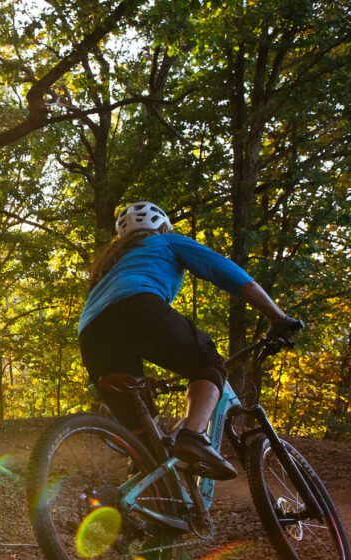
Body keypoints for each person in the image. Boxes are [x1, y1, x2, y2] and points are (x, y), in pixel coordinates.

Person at [78, 201, 300, 480]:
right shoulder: (167, 242)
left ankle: (148, 513)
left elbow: (110, 317)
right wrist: (278, 318)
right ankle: (193, 436)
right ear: (161, 228)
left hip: (91, 333)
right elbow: (229, 273)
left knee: (147, 448)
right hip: (138, 306)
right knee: (208, 364)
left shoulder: (109, 267)